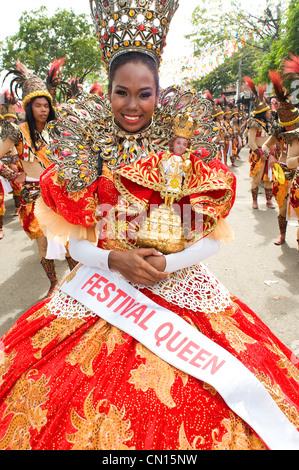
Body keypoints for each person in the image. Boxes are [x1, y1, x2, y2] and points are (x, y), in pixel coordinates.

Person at [0, 0, 299, 451]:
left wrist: (172, 260)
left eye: (145, 94)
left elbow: (211, 236)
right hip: (101, 286)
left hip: (178, 282)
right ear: (109, 92)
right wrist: (112, 258)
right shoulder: (85, 147)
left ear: (159, 94)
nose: (132, 105)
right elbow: (67, 242)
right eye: (122, 92)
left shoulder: (186, 150)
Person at [0, 60, 77, 297]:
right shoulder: (17, 131)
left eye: (46, 105)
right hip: (33, 195)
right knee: (43, 242)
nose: (43, 110)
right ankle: (54, 284)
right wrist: (14, 175)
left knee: (69, 241)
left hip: (59, 191)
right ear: (29, 106)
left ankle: (77, 280)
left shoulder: (58, 130)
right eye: (38, 106)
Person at [262, 70, 299, 246]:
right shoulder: (279, 131)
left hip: (297, 171)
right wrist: (269, 156)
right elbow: (264, 146)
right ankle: (283, 236)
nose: (291, 127)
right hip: (282, 170)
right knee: (282, 206)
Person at [244, 76, 275, 209]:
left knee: (269, 179)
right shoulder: (254, 124)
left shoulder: (269, 124)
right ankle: (255, 201)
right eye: (267, 111)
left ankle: (268, 201)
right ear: (262, 113)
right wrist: (260, 153)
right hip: (258, 154)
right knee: (257, 179)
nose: (270, 113)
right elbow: (251, 142)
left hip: (270, 154)